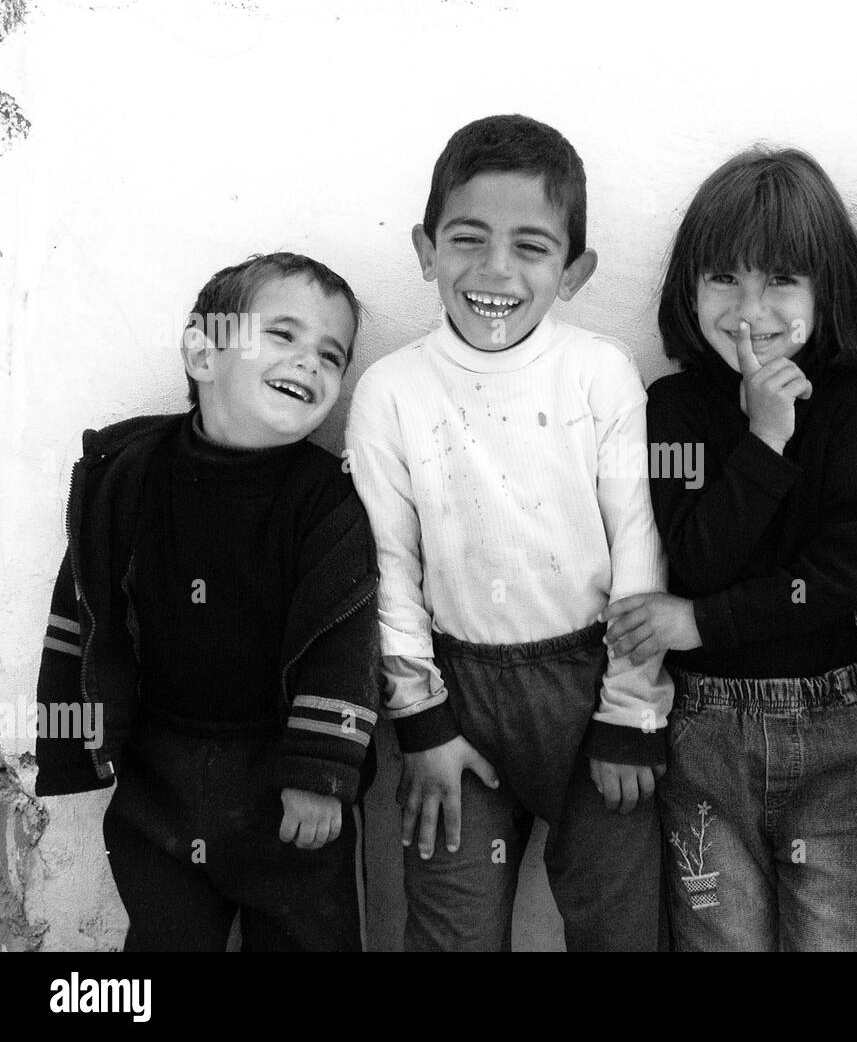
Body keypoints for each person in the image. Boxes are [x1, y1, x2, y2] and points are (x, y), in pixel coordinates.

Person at [345, 114, 671, 951]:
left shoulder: (600, 371)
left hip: (594, 684)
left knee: (620, 927)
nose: (495, 269)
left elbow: (638, 539)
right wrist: (421, 721)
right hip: (458, 697)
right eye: (467, 239)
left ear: (575, 270)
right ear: (426, 250)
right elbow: (388, 565)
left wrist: (628, 712)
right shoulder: (391, 390)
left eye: (531, 246)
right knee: (452, 929)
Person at [35, 252, 379, 951]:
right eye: (282, 335)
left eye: (331, 354)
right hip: (158, 771)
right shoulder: (126, 477)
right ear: (201, 348)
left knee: (306, 936)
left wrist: (320, 772)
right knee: (164, 939)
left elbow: (343, 642)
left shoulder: (326, 501)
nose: (308, 362)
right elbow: (83, 605)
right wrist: (74, 741)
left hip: (283, 775)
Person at [603, 147, 857, 951]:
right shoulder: (671, 409)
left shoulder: (853, 409)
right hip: (704, 738)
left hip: (838, 723)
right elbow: (695, 556)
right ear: (688, 288)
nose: (750, 308)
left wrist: (704, 622)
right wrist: (764, 440)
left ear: (825, 289)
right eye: (724, 278)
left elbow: (847, 572)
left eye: (780, 280)